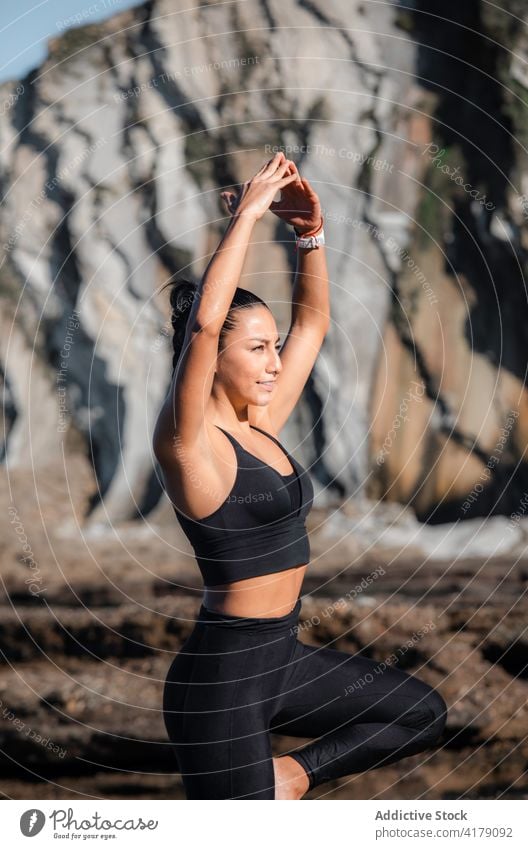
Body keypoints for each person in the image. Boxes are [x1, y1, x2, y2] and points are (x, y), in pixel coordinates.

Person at [153, 152, 447, 799]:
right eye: (255, 347)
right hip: (222, 679)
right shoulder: (187, 443)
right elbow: (204, 322)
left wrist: (309, 233)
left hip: (283, 658)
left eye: (271, 345)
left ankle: (291, 777)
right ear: (213, 357)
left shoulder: (260, 422)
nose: (272, 361)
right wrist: (250, 216)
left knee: (419, 711)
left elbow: (313, 323)